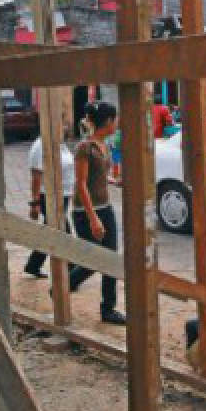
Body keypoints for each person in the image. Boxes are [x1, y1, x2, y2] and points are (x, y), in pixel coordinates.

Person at [69, 101, 126, 325]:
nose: (118, 122)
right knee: (92, 261)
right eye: (116, 118)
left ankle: (108, 309)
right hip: (85, 212)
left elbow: (98, 177)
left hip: (106, 208)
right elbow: (81, 184)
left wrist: (113, 181)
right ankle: (65, 285)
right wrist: (93, 219)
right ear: (109, 121)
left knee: (110, 259)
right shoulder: (86, 148)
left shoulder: (105, 145)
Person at [23, 129, 77, 279]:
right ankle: (73, 270)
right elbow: (36, 176)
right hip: (48, 195)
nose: (65, 128)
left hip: (62, 195)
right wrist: (34, 203)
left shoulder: (59, 144)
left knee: (50, 231)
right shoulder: (40, 145)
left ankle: (33, 265)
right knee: (64, 231)